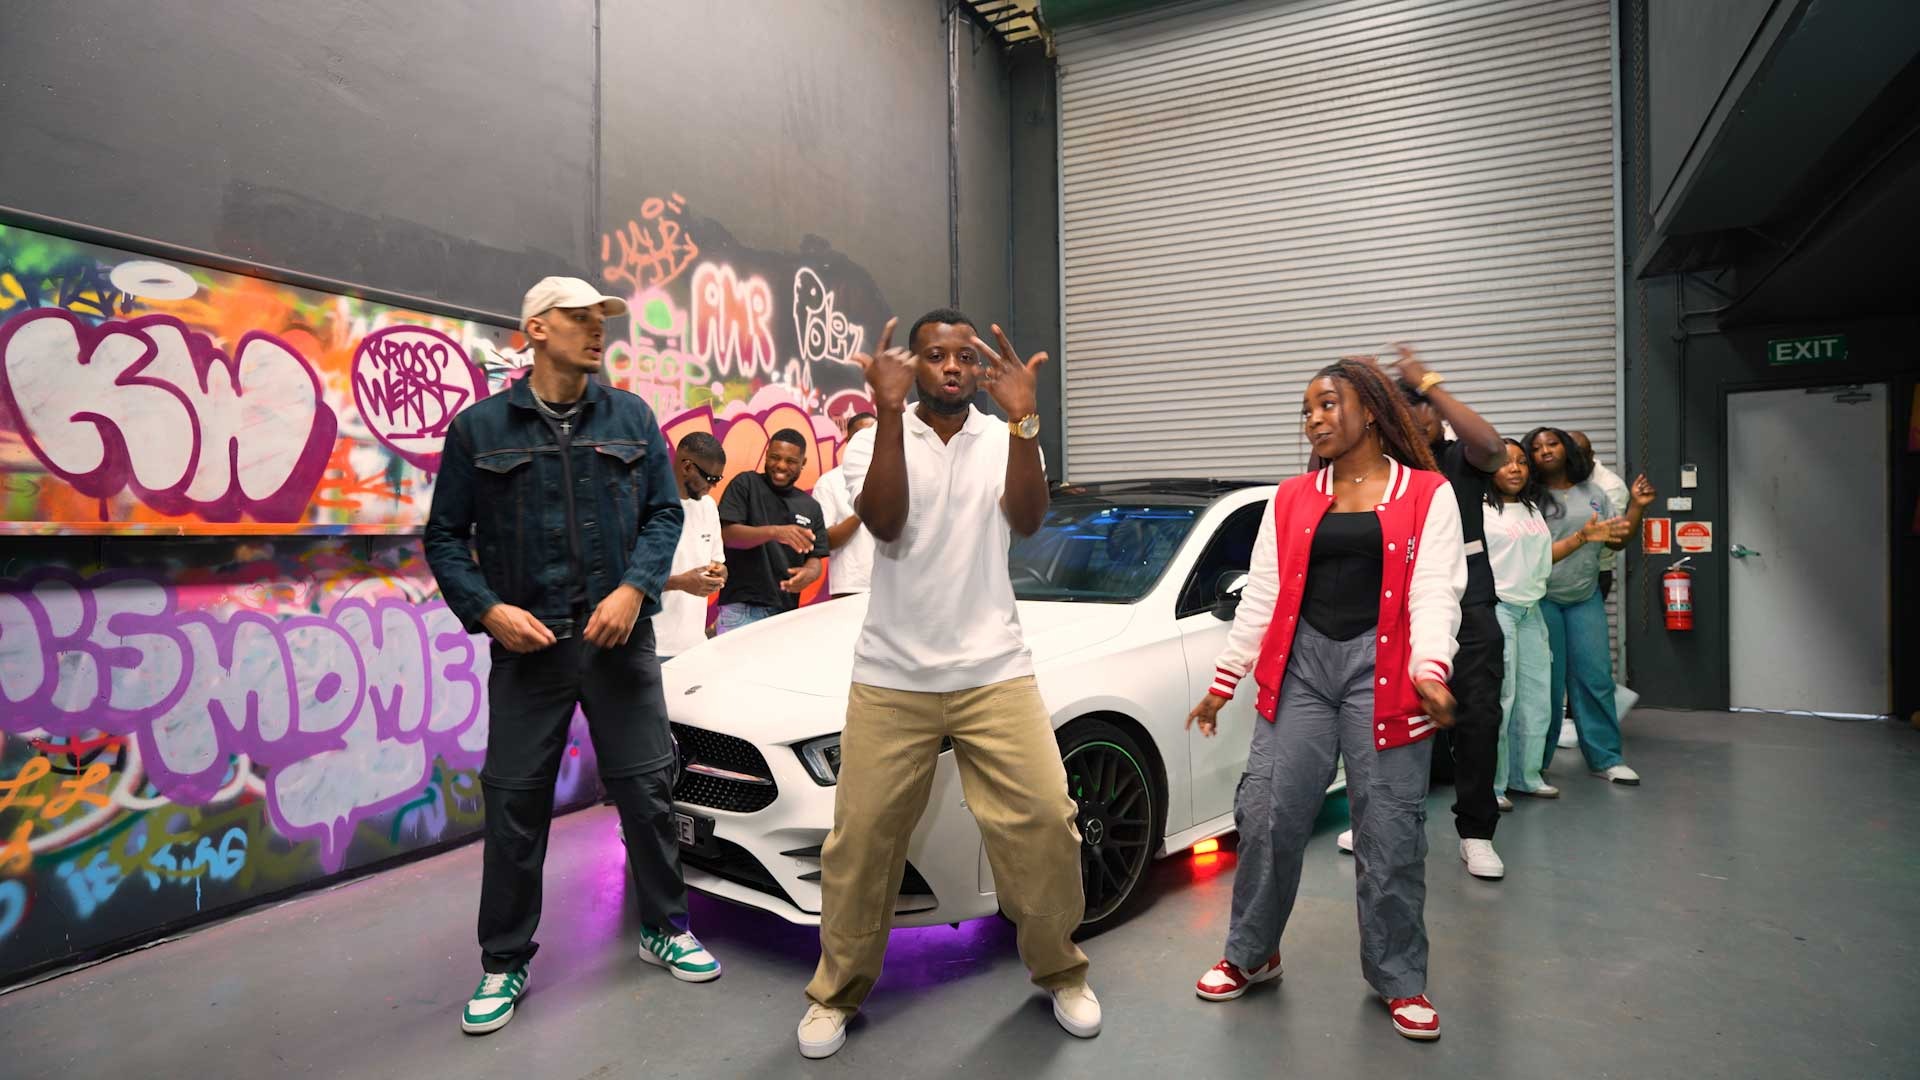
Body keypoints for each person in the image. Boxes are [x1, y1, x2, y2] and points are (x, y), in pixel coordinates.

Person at [797, 309, 1098, 1059]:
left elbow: (1028, 519)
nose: (953, 367)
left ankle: (1061, 971)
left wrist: (1025, 421)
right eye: (935, 356)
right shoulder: (875, 438)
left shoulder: (1004, 438)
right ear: (914, 366)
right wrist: (887, 412)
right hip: (892, 677)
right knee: (861, 840)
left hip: (994, 671)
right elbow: (884, 522)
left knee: (1046, 822)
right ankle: (835, 993)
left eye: (964, 356)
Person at [424, 276, 719, 1038]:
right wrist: (488, 611)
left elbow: (663, 515)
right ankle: (504, 961)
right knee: (515, 802)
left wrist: (634, 589)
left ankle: (665, 927)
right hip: (530, 650)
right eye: (579, 318)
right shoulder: (480, 430)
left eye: (600, 320)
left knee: (648, 790)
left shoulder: (631, 417)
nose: (596, 330)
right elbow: (445, 538)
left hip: (620, 641)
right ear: (535, 330)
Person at [1187, 358, 1465, 1041]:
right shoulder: (1291, 497)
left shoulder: (1427, 493)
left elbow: (1436, 588)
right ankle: (1252, 953)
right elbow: (1263, 593)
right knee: (1267, 814)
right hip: (1302, 669)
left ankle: (1399, 977)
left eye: (1328, 404)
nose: (1313, 418)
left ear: (1369, 410)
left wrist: (1431, 670)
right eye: (1306, 409)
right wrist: (1224, 681)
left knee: (1389, 830)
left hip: (1386, 670)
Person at [1384, 345, 1509, 880]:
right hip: (1399, 607)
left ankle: (1476, 833)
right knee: (1392, 716)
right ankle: (1382, 819)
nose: (1417, 416)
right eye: (1403, 408)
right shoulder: (1389, 470)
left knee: (1477, 720)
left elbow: (1494, 447)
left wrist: (1429, 382)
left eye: (1423, 405)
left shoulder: (1460, 459)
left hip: (1469, 605)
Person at [1525, 427, 1656, 785]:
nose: (1545, 451)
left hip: (1585, 596)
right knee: (1547, 686)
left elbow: (1617, 541)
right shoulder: (1528, 498)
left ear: (1566, 449)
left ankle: (1606, 758)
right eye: (1536, 448)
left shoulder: (1594, 492)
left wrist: (1637, 507)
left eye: (1552, 444)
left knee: (1596, 678)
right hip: (1542, 599)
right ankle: (1534, 765)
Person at [1483, 438, 1561, 800]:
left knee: (1536, 698)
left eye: (1521, 462)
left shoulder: (1531, 508)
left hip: (1532, 610)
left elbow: (1540, 559)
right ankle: (1495, 785)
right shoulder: (1480, 511)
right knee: (1502, 699)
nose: (1515, 468)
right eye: (1504, 462)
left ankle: (1526, 776)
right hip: (1499, 609)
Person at [714, 429, 828, 632]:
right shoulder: (746, 483)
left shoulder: (811, 506)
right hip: (742, 609)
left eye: (790, 461)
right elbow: (728, 535)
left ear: (803, 463)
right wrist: (775, 532)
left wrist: (810, 573)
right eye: (775, 457)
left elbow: (815, 557)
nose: (781, 465)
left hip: (786, 613)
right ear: (766, 454)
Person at [654, 432, 729, 660]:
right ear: (687, 467)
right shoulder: (650, 505)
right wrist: (680, 583)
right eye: (710, 478)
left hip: (694, 645)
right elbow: (626, 579)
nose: (713, 485)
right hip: (653, 646)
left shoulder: (708, 506)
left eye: (719, 479)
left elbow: (717, 561)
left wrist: (720, 573)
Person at [813, 412, 878, 598]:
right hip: (851, 587)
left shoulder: (899, 476)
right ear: (848, 441)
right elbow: (825, 541)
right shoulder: (829, 482)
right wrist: (862, 509)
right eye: (861, 436)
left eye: (875, 435)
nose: (869, 441)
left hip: (895, 585)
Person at [1568, 431, 1630, 602]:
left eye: (1579, 455)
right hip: (1560, 570)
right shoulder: (1561, 479)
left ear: (1591, 455)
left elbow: (1611, 535)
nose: (1574, 462)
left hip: (1594, 571)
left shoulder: (1610, 486)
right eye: (1569, 456)